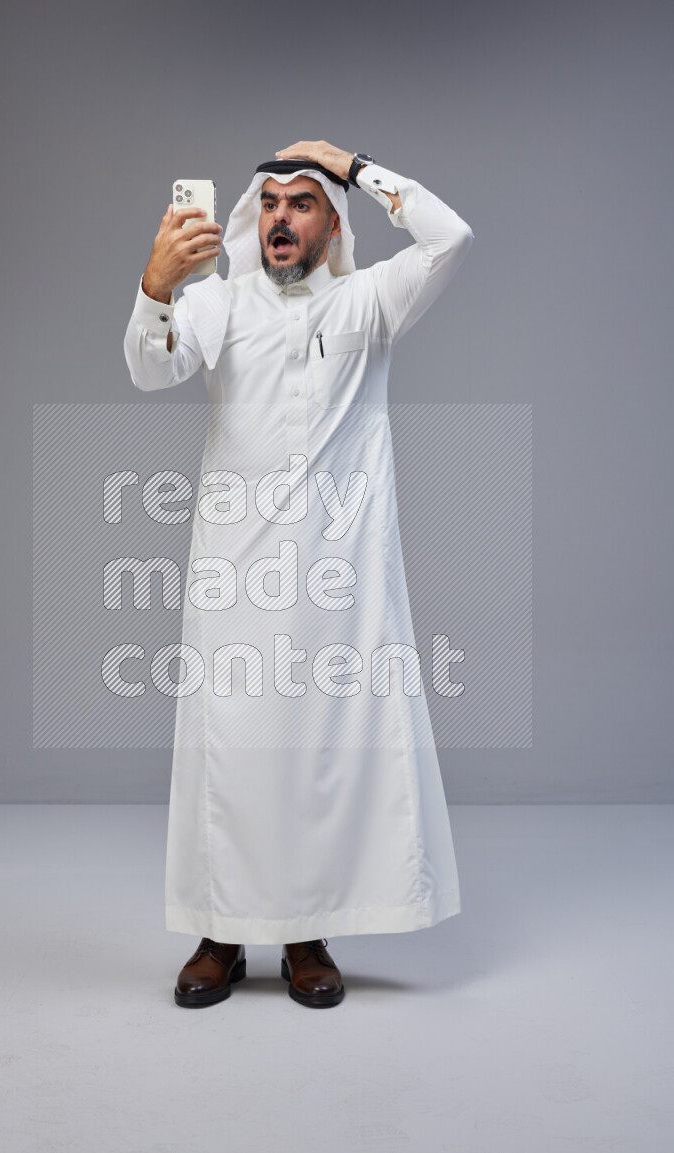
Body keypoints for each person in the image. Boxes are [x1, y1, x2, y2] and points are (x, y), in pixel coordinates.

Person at [123, 140, 474, 1009]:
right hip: (234, 578)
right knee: (230, 752)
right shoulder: (220, 303)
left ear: (331, 223)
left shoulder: (367, 302)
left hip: (335, 582)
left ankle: (308, 934)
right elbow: (147, 366)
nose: (281, 215)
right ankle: (219, 934)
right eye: (269, 202)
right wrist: (156, 286)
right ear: (255, 221)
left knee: (321, 752)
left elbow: (449, 236)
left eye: (302, 201)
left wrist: (352, 163)